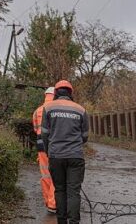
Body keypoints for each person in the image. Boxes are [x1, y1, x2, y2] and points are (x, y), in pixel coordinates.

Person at [41, 80, 88, 224]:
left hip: (56, 156)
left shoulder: (48, 108)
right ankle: (74, 222)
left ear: (56, 92)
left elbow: (44, 134)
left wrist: (50, 152)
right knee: (73, 192)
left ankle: (61, 221)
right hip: (75, 156)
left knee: (60, 190)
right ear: (70, 92)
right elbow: (85, 136)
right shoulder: (81, 110)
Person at [32, 87, 57, 214]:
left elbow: (36, 129)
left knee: (45, 175)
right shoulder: (56, 110)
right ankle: (53, 204)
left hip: (41, 147)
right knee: (56, 175)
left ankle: (48, 202)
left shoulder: (37, 111)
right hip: (54, 146)